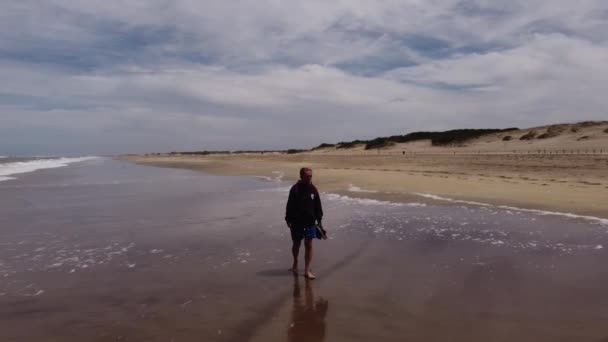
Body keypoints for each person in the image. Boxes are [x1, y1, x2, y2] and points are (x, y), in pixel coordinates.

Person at [285, 167, 323, 279]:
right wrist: (288, 219)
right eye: (307, 176)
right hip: (297, 222)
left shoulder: (313, 189)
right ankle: (295, 262)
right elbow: (289, 205)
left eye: (311, 176)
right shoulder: (295, 189)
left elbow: (318, 205)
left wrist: (319, 220)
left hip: (310, 222)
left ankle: (307, 270)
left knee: (309, 245)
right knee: (296, 244)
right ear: (301, 176)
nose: (309, 178)